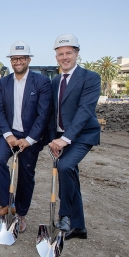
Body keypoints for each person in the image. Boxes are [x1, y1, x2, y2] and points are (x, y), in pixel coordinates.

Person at [0, 41, 52, 233]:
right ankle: (6, 204)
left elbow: (43, 114)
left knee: (26, 173)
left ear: (28, 59)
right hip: (8, 133)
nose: (18, 61)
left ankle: (20, 213)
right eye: (15, 58)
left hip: (30, 136)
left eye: (22, 58)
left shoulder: (41, 82)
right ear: (11, 61)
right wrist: (8, 135)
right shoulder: (4, 82)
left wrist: (30, 139)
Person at [48, 33, 101, 240]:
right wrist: (54, 139)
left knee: (64, 167)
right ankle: (79, 227)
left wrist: (65, 139)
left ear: (77, 53)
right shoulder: (54, 82)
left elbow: (84, 111)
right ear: (56, 57)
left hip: (83, 135)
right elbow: (53, 113)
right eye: (60, 53)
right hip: (60, 137)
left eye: (69, 52)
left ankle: (65, 215)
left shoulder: (90, 78)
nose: (64, 57)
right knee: (70, 174)